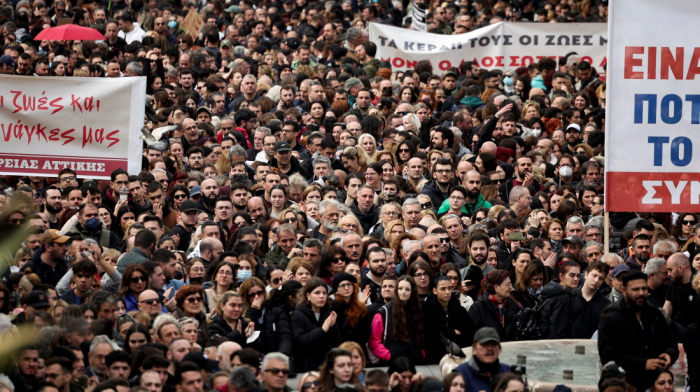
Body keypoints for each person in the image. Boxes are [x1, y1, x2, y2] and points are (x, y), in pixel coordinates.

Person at [598, 271, 679, 392]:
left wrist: (669, 354)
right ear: (624, 290)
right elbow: (608, 355)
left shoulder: (655, 314)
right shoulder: (611, 318)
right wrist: (643, 364)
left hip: (654, 382)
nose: (641, 293)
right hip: (626, 383)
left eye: (644, 289)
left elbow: (670, 343)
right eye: (635, 289)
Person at [368, 276, 425, 365]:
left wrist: (421, 353)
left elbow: (424, 336)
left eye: (407, 289)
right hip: (392, 364)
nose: (403, 292)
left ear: (412, 292)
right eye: (400, 288)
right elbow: (373, 342)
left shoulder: (419, 311)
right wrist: (389, 356)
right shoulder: (384, 312)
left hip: (416, 363)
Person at [290, 277, 342, 372]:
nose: (321, 296)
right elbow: (300, 342)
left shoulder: (327, 312)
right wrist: (322, 331)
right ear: (308, 295)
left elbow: (336, 342)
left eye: (324, 293)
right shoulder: (298, 314)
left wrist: (333, 326)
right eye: (317, 293)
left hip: (326, 367)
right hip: (307, 368)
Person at [421, 274, 474, 363]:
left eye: (449, 288)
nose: (447, 292)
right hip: (433, 359)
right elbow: (431, 334)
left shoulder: (460, 310)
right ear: (434, 290)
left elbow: (468, 334)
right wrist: (453, 332)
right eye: (443, 289)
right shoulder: (426, 310)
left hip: (459, 357)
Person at [468, 270, 521, 342]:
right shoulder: (477, 309)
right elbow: (475, 336)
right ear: (496, 287)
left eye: (511, 284)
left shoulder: (513, 306)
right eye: (508, 284)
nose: (511, 287)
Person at [453, 327, 511, 392]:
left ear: (499, 348)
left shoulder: (508, 372)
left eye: (493, 344)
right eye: (484, 344)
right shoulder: (460, 373)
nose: (490, 348)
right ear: (474, 349)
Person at [539, 260, 579, 339]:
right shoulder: (563, 297)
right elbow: (558, 330)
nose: (576, 279)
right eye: (572, 275)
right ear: (561, 276)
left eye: (578, 276)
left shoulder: (552, 291)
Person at [571, 260, 611, 339]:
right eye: (594, 275)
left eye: (600, 278)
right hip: (569, 344)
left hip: (593, 346)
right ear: (586, 274)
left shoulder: (605, 304)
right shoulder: (570, 296)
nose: (596, 280)